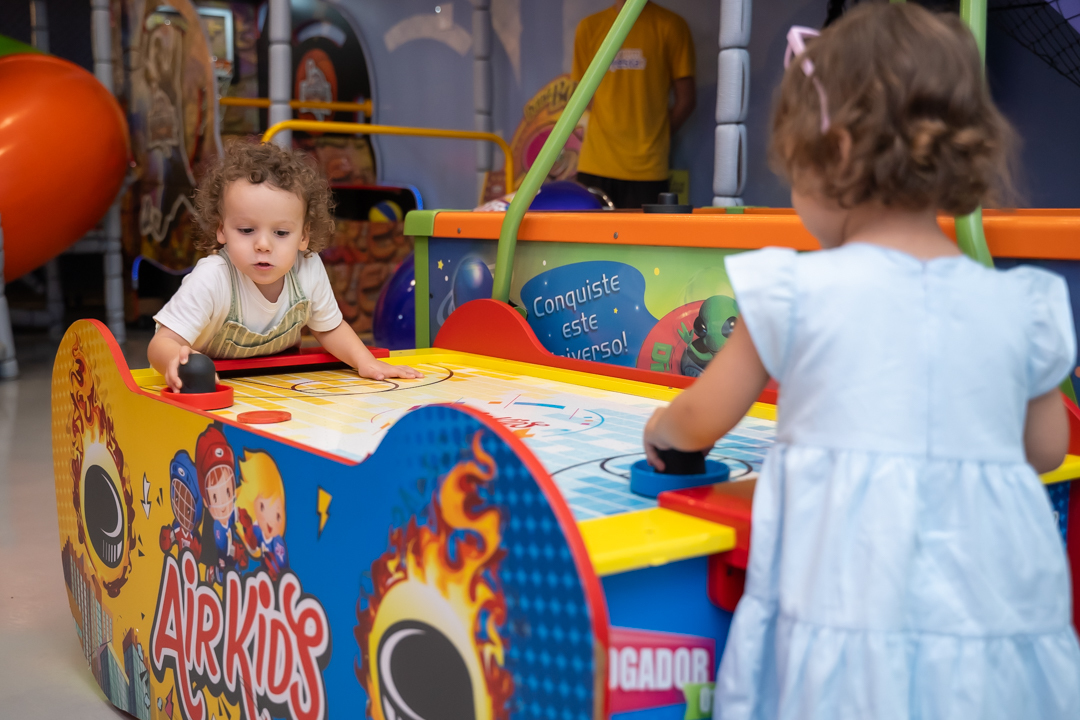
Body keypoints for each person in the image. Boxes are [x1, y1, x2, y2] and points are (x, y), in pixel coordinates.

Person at [643, 4, 1080, 718]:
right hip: (988, 639)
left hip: (844, 623)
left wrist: (662, 431)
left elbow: (697, 422)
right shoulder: (1019, 306)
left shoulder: (795, 290)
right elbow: (1044, 449)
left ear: (838, 153)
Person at [148, 140, 421, 389]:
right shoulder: (212, 278)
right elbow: (161, 343)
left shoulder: (307, 269)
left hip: (274, 382)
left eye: (280, 233)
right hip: (209, 386)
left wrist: (365, 361)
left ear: (303, 236)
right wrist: (175, 361)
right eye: (246, 230)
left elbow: (330, 328)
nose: (263, 245)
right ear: (222, 230)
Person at [572, 0, 695, 209]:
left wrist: (657, 135)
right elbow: (582, 97)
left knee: (645, 232)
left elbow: (686, 100)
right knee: (590, 231)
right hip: (595, 164)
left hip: (648, 169)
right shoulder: (589, 27)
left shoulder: (671, 25)